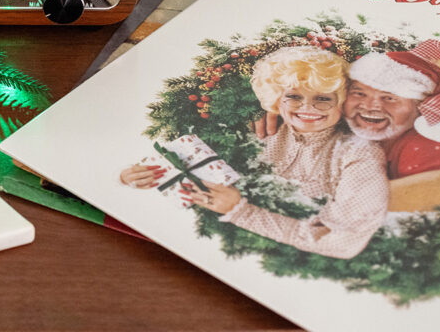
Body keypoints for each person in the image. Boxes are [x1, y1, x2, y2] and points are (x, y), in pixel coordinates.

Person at [122, 46, 389, 259]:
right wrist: (130, 177)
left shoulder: (359, 154)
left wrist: (241, 211)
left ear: (342, 102)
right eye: (294, 96)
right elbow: (184, 162)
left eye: (323, 98)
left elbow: (343, 243)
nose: (308, 108)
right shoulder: (254, 129)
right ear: (275, 98)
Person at [258, 40, 440, 179]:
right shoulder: (328, 122)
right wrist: (278, 110)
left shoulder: (426, 152)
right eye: (359, 93)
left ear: (420, 107)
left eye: (389, 98)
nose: (370, 106)